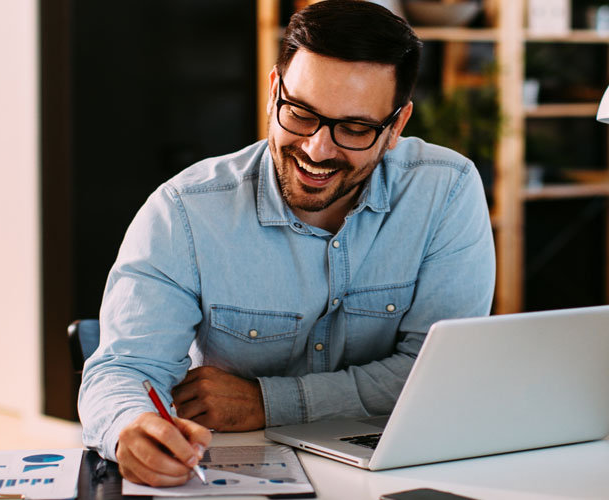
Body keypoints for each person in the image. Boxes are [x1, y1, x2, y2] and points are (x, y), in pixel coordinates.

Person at [78, 0, 495, 487]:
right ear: (274, 90)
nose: (317, 149)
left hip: (394, 474)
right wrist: (132, 426)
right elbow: (124, 370)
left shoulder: (445, 190)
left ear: (396, 126)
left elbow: (436, 376)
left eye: (355, 128)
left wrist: (267, 402)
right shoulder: (184, 212)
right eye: (300, 113)